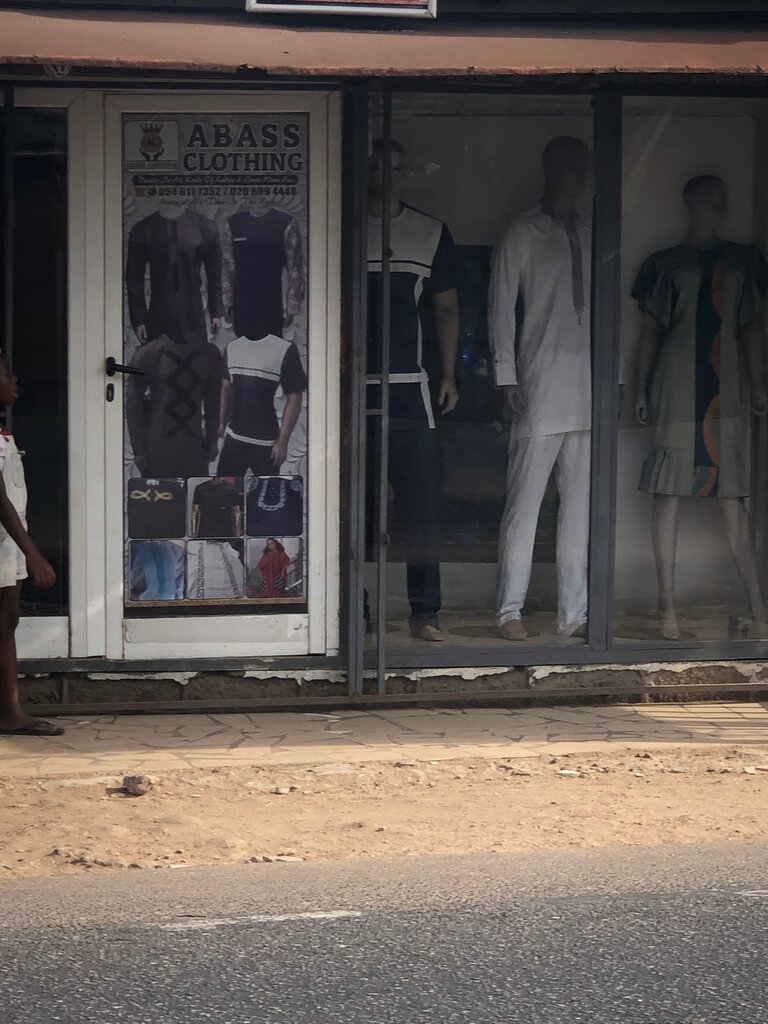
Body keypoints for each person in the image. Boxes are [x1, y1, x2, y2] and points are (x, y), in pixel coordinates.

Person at [633, 175, 768, 639]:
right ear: (688, 202)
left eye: (720, 200)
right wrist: (639, 388)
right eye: (707, 200)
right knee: (668, 488)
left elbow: (752, 325)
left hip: (726, 383)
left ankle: (757, 607)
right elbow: (650, 329)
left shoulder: (744, 260)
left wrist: (757, 381)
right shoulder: (664, 263)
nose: (715, 207)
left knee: (732, 494)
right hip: (675, 380)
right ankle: (666, 608)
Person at [489, 136, 592, 641]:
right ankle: (509, 609)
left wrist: (614, 378)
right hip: (539, 381)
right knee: (525, 503)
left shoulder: (596, 233)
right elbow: (501, 304)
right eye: (572, 166)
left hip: (587, 386)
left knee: (580, 507)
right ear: (549, 168)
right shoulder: (524, 232)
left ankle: (575, 613)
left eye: (585, 166)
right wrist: (506, 374)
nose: (581, 175)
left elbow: (607, 312)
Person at [366, 138, 461, 642]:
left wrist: (448, 373)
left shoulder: (429, 232)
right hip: (348, 386)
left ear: (407, 173)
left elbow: (446, 306)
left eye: (397, 166)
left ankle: (425, 612)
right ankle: (350, 605)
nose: (387, 173)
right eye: (378, 163)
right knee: (349, 500)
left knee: (421, 503)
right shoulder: (342, 223)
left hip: (410, 386)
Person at [0, 355, 61, 736]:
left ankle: (9, 710)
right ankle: (9, 711)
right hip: (7, 544)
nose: (14, 378)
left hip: (7, 546)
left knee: (7, 622)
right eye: (5, 373)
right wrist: (32, 552)